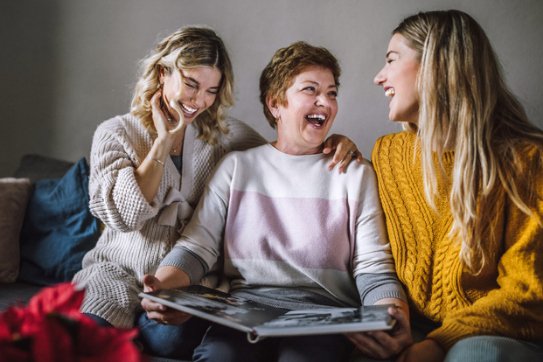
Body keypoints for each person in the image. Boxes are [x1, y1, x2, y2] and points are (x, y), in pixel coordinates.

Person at [72, 26, 362, 359]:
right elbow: (124, 216)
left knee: (173, 342)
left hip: (186, 286)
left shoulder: (227, 137)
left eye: (212, 90)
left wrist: (334, 143)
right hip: (117, 277)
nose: (199, 101)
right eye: (192, 85)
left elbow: (285, 153)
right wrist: (163, 143)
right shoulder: (115, 133)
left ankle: (141, 339)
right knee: (86, 338)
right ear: (162, 73)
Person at [141, 40, 408, 362]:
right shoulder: (237, 167)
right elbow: (198, 247)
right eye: (310, 90)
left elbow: (373, 267)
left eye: (332, 92)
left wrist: (392, 314)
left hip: (323, 320)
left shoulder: (354, 174)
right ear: (275, 104)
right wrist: (162, 290)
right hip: (243, 315)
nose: (325, 101)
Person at [351, 9, 543, 362]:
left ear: (436, 65)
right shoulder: (386, 154)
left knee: (476, 355)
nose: (379, 77)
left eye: (391, 60)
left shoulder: (526, 160)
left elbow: (527, 292)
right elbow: (375, 259)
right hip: (414, 330)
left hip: (496, 332)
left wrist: (439, 344)